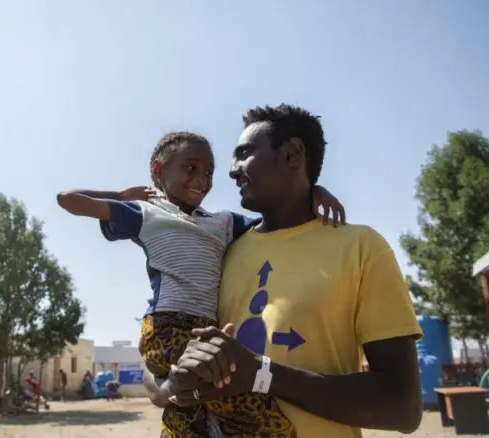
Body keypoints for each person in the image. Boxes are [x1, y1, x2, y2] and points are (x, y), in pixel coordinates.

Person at [143, 104, 423, 437]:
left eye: (245, 154)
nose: (232, 171)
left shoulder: (360, 247)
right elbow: (160, 351)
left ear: (293, 154)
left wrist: (261, 374)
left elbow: (402, 407)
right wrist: (170, 383)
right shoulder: (223, 246)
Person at [57, 131, 344, 436]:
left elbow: (277, 219)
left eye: (208, 172)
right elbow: (68, 200)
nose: (201, 179)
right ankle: (175, 403)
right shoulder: (146, 214)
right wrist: (120, 196)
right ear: (158, 171)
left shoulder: (222, 223)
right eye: (190, 167)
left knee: (246, 409)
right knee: (213, 387)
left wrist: (312, 192)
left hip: (207, 330)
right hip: (167, 330)